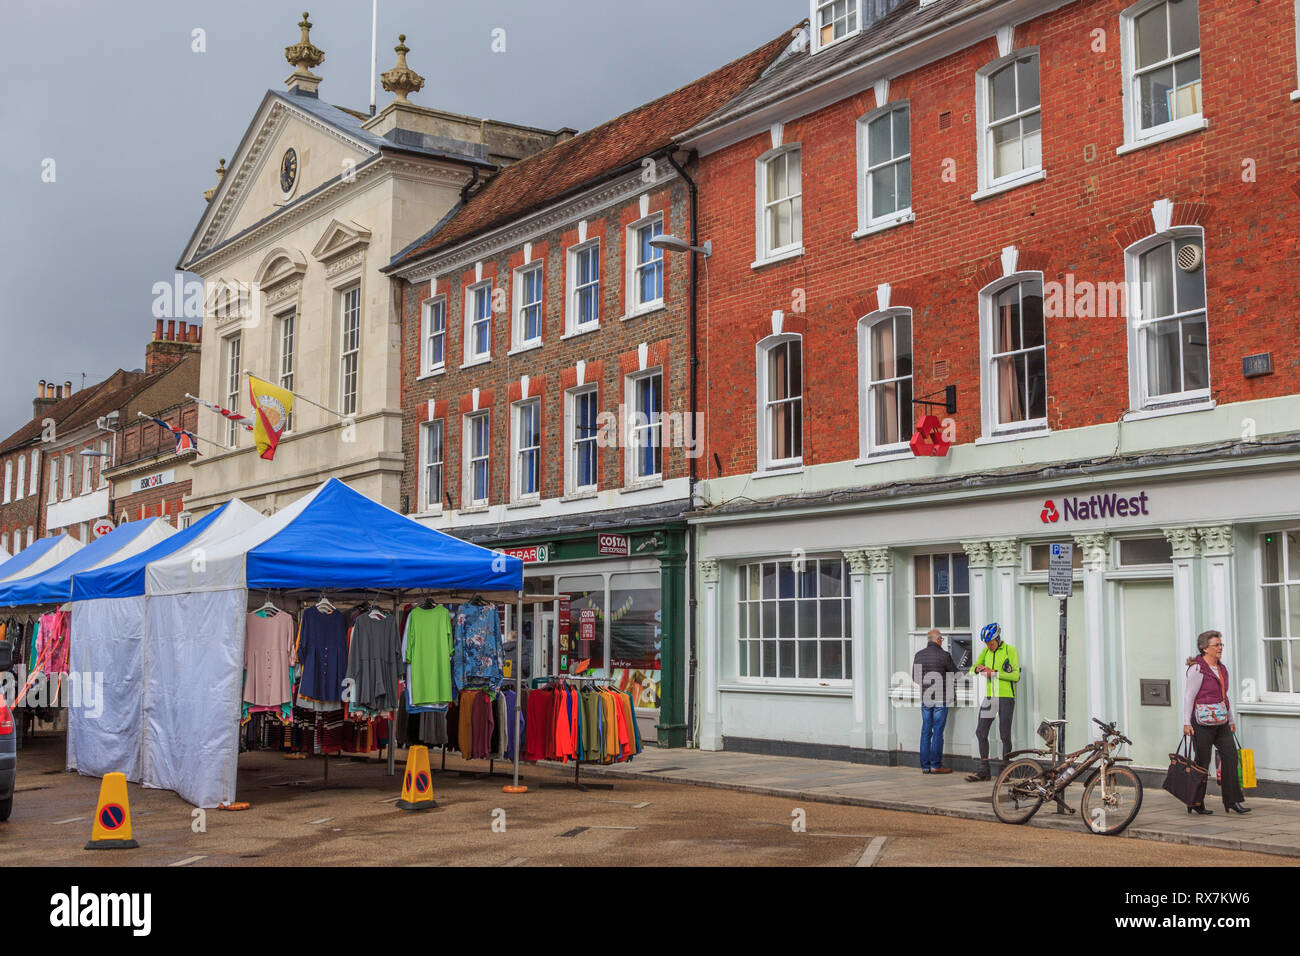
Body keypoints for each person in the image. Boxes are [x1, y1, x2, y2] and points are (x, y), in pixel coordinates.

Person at [1183, 629, 1249, 815]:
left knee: (1230, 757)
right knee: (1202, 762)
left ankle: (1232, 801)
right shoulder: (1197, 668)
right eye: (1216, 645)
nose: (1220, 648)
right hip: (1201, 723)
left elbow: (1223, 696)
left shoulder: (1221, 668)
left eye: (1221, 644)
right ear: (1205, 648)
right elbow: (1189, 697)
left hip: (1221, 722)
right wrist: (1186, 723)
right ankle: (1195, 802)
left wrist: (1231, 719)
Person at [966, 622, 1020, 782]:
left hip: (1006, 697)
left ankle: (1005, 771)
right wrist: (979, 669)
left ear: (998, 639)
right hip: (990, 696)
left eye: (991, 643)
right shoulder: (985, 651)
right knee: (981, 732)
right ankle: (984, 771)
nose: (989, 646)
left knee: (1004, 735)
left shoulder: (1010, 650)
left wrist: (994, 673)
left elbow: (1015, 676)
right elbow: (972, 668)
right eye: (987, 644)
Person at [912, 628, 957, 774]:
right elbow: (955, 674)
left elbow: (916, 678)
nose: (942, 642)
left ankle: (925, 766)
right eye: (941, 639)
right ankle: (936, 765)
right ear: (938, 640)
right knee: (937, 731)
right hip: (941, 698)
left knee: (926, 731)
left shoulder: (918, 655)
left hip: (926, 698)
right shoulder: (944, 655)